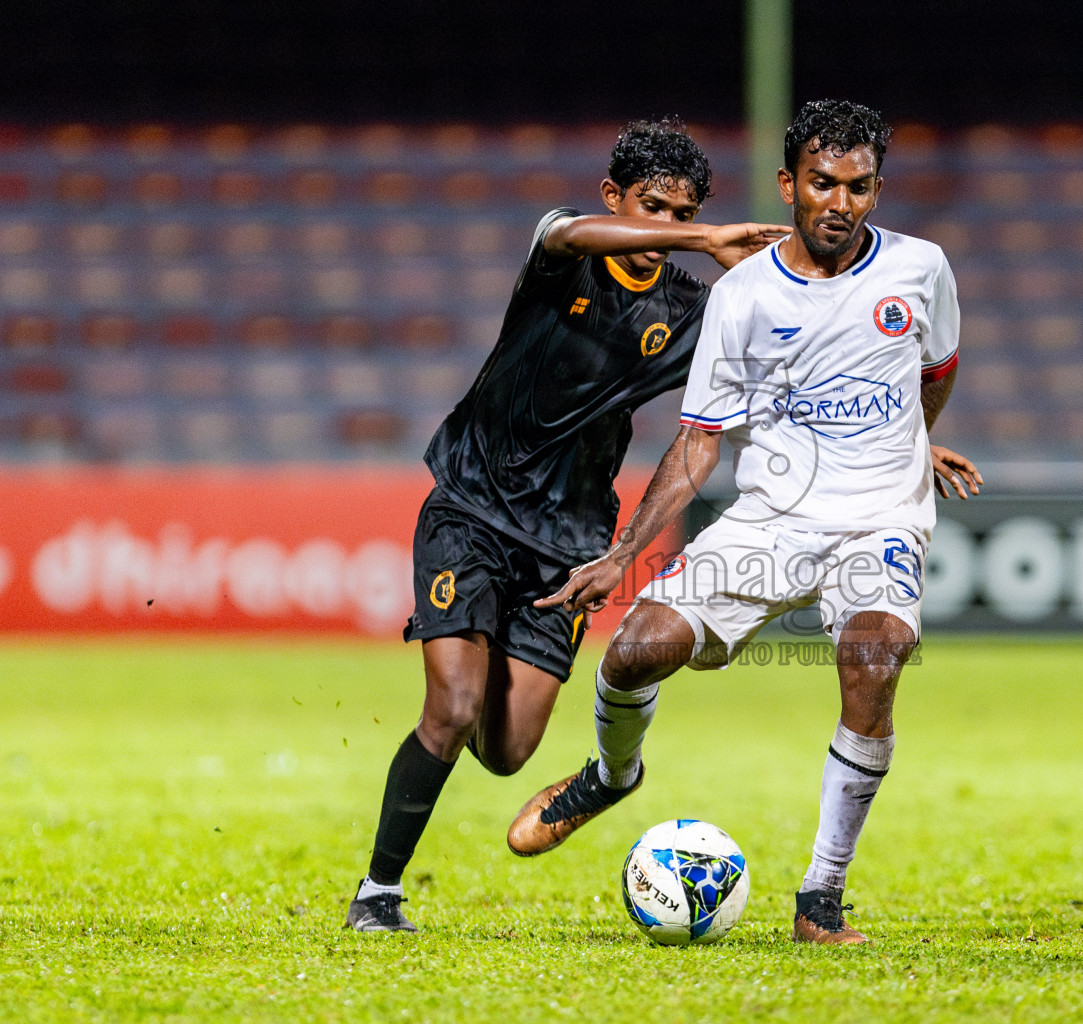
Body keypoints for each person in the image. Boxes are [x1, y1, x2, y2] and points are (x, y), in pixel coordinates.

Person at [507, 100, 982, 945]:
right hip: (769, 519)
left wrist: (913, 443)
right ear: (788, 183)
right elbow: (699, 442)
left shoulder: (922, 268)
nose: (841, 204)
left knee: (873, 654)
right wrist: (626, 553)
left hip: (879, 522)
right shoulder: (743, 295)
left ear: (878, 188)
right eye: (823, 184)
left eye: (860, 187)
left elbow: (934, 370)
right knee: (634, 650)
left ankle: (820, 899)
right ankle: (613, 776)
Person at [346, 119, 789, 933]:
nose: (662, 229)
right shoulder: (566, 255)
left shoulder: (694, 313)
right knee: (450, 705)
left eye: (683, 211)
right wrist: (700, 236)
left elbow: (740, 408)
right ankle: (379, 894)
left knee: (508, 749)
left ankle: (598, 772)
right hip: (472, 509)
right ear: (614, 195)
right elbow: (568, 230)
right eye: (650, 208)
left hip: (570, 545)